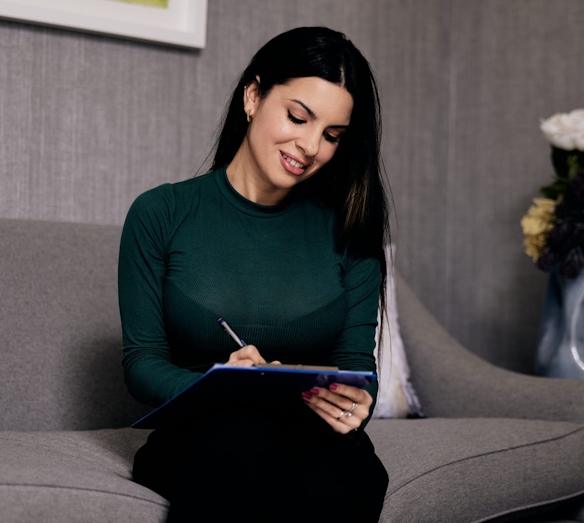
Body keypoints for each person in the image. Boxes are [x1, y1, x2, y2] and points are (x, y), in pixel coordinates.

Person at [118, 26, 390, 522]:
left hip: (307, 435)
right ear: (253, 96)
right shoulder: (161, 213)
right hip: (203, 433)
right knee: (241, 444)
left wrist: (357, 402)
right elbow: (141, 364)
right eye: (298, 117)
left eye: (331, 136)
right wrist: (221, 383)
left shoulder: (352, 234)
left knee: (350, 471)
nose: (309, 147)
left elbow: (356, 366)